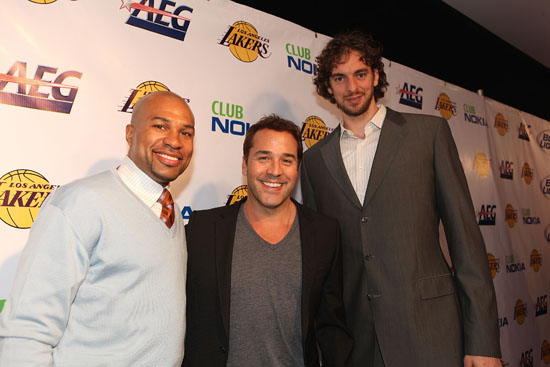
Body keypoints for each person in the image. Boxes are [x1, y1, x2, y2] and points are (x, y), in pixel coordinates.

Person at [300, 30, 501, 367]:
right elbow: (322, 264)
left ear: (376, 75)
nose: (352, 87)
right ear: (328, 86)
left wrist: (482, 341)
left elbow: (465, 242)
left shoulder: (429, 134)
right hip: (356, 342)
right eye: (340, 78)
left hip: (430, 332)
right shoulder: (315, 161)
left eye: (360, 74)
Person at [0, 91, 195, 366]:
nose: (175, 141)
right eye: (160, 126)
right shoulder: (80, 203)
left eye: (186, 133)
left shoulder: (170, 210)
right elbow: (26, 330)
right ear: (130, 134)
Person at [183, 115, 352, 367]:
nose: (275, 170)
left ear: (298, 168)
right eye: (263, 158)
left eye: (287, 160)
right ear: (244, 165)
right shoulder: (203, 230)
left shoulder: (325, 233)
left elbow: (331, 327)